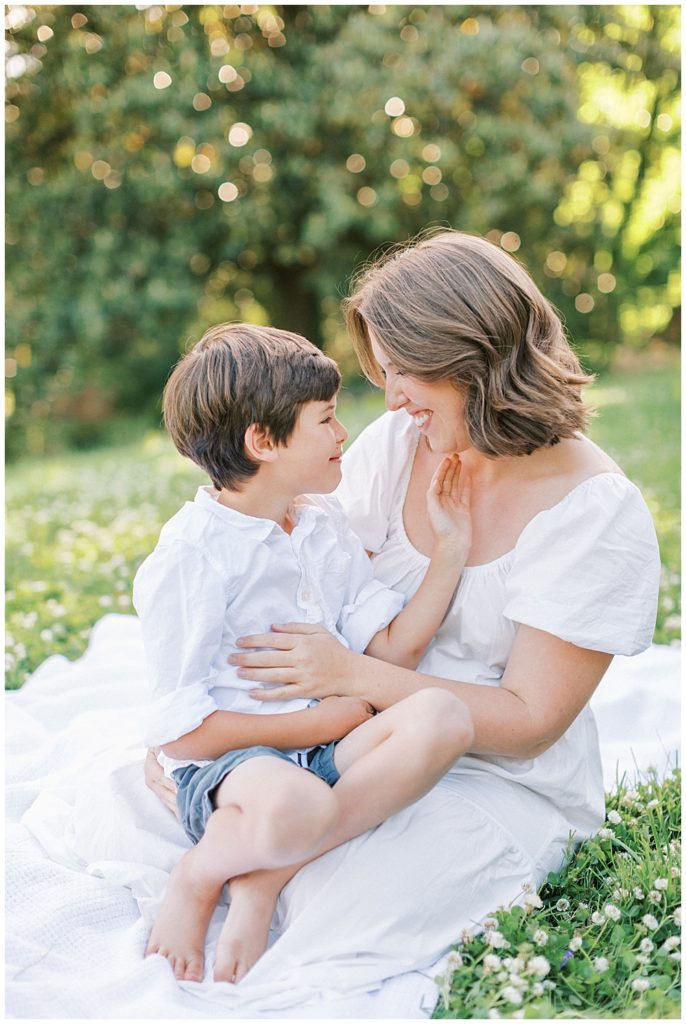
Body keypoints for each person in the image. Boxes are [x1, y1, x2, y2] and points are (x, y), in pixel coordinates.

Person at [144, 230, 660, 997]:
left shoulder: (595, 510)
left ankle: (263, 866)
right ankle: (257, 847)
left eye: (407, 372)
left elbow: (529, 724)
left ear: (475, 358)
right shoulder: (400, 444)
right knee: (153, 804)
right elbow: (313, 583)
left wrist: (351, 679)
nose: (390, 400)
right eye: (383, 375)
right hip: (350, 736)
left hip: (493, 774)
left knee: (342, 911)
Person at [133, 323, 474, 985]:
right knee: (301, 806)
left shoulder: (321, 526)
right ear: (263, 442)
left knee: (445, 717)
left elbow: (391, 653)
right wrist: (318, 724)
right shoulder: (193, 555)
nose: (343, 434)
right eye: (325, 420)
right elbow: (181, 731)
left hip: (319, 753)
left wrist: (451, 549)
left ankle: (263, 879)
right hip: (239, 765)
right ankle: (198, 875)